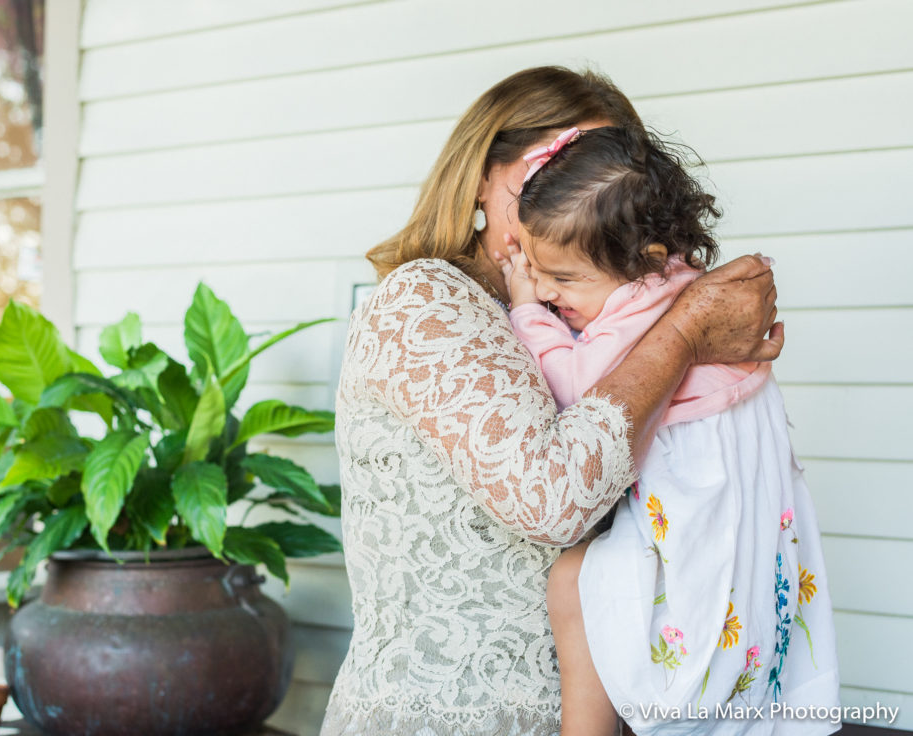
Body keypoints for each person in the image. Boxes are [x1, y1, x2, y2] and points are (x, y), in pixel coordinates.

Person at [319, 67, 783, 736]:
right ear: (481, 174)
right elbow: (552, 497)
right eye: (542, 184)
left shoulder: (589, 318)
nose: (565, 219)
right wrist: (684, 332)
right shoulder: (425, 300)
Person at [499, 125, 839, 736]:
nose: (549, 293)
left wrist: (524, 310)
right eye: (539, 274)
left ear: (645, 262)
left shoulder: (638, 308)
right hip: (747, 487)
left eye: (563, 278)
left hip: (693, 495)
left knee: (576, 584)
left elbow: (579, 391)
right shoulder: (676, 282)